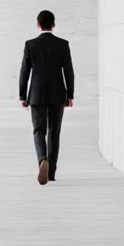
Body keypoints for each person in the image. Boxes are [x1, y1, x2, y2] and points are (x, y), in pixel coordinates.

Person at [18, 10, 74, 185]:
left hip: (36, 94)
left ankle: (42, 159)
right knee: (54, 132)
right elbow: (69, 71)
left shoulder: (30, 45)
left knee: (38, 130)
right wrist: (70, 94)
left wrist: (22, 95)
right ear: (54, 25)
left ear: (38, 25)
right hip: (58, 94)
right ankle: (51, 173)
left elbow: (24, 71)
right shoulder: (63, 44)